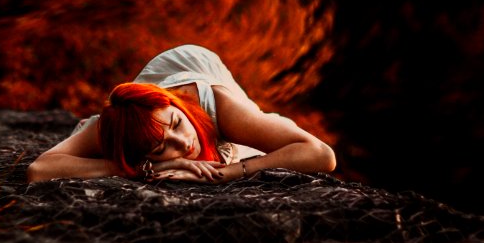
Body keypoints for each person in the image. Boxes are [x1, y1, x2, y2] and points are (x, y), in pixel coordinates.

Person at [26, 44, 336, 183]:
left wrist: (225, 174)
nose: (183, 143)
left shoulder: (223, 108)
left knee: (261, 136)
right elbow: (40, 169)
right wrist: (135, 169)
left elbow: (321, 154)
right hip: (143, 111)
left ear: (174, 107)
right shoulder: (117, 127)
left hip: (193, 70)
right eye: (161, 148)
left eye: (176, 124)